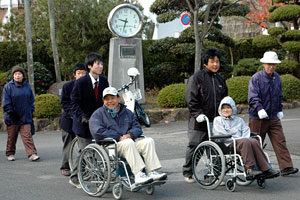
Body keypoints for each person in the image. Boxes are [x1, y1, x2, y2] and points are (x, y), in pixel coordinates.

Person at [89, 87, 167, 184]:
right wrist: (119, 137)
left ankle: (152, 171)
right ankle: (138, 174)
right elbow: (97, 132)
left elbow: (137, 127)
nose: (110, 101)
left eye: (112, 98)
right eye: (107, 99)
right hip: (110, 146)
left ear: (118, 98)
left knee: (148, 141)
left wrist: (129, 134)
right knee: (128, 142)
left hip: (128, 142)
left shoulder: (127, 112)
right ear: (103, 101)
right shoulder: (98, 114)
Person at [248, 51, 298, 176]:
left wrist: (280, 109)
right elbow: (253, 97)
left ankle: (286, 167)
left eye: (274, 64)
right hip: (258, 117)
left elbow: (279, 95)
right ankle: (253, 168)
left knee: (280, 140)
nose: (271, 66)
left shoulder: (277, 77)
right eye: (269, 64)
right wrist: (259, 108)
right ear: (263, 63)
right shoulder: (256, 78)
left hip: (273, 115)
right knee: (255, 143)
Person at [183, 48, 228, 183]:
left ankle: (216, 174)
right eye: (212, 61)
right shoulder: (196, 78)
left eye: (217, 62)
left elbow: (225, 99)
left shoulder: (220, 79)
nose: (215, 64)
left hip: (216, 121)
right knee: (195, 146)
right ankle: (188, 172)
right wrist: (197, 114)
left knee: (216, 148)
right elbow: (190, 99)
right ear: (205, 63)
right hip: (199, 120)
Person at [213, 96, 280, 180]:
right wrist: (240, 139)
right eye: (223, 108)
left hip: (242, 143)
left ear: (233, 108)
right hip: (228, 144)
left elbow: (246, 130)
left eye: (228, 107)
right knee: (245, 141)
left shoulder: (239, 120)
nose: (226, 110)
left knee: (254, 141)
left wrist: (244, 139)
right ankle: (250, 169)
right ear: (220, 109)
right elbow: (220, 134)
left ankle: (266, 169)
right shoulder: (218, 120)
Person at [69, 52, 109, 188]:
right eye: (97, 64)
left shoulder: (104, 81)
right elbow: (74, 103)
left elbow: (107, 101)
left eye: (101, 64)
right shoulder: (81, 82)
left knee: (98, 150)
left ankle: (97, 179)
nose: (101, 66)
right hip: (83, 123)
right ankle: (77, 178)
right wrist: (82, 117)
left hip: (98, 123)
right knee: (86, 152)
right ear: (89, 66)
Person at [2, 66, 40, 161]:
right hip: (13, 117)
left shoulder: (27, 86)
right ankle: (10, 153)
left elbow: (31, 100)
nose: (18, 76)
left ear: (23, 75)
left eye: (19, 74)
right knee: (12, 137)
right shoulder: (8, 87)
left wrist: (31, 110)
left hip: (25, 116)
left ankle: (32, 154)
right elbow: (6, 103)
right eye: (15, 74)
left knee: (27, 136)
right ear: (13, 76)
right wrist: (11, 112)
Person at [59, 63, 86, 176]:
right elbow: (64, 103)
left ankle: (82, 167)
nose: (81, 75)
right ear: (74, 75)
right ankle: (65, 166)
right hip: (69, 119)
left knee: (83, 144)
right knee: (68, 144)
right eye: (78, 73)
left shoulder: (88, 86)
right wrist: (74, 113)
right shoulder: (67, 86)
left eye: (83, 73)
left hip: (83, 120)